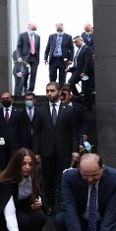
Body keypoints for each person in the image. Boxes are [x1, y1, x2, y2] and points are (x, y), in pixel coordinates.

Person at [32, 82, 80, 216]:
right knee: (47, 179)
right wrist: (36, 152)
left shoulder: (69, 110)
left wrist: (75, 150)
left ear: (59, 92)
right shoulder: (40, 110)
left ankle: (62, 204)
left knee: (62, 178)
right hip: (46, 150)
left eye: (52, 91)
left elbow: (74, 132)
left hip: (63, 149)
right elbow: (36, 133)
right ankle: (49, 205)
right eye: (47, 91)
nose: (49, 94)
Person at [0, 91, 27, 172]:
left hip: (16, 146)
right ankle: (5, 184)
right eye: (3, 99)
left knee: (15, 167)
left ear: (12, 100)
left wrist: (23, 146)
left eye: (7, 98)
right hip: (1, 146)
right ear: (0, 100)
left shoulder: (19, 113)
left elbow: (23, 130)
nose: (5, 100)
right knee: (3, 168)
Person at [66, 35, 94, 106]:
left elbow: (88, 61)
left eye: (76, 42)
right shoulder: (78, 50)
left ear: (81, 40)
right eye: (74, 42)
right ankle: (79, 98)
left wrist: (84, 72)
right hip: (77, 71)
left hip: (85, 72)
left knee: (86, 89)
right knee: (69, 84)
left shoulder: (87, 49)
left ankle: (87, 105)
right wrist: (70, 69)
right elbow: (77, 63)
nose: (75, 44)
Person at [16, 23, 41, 93]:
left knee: (34, 74)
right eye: (32, 29)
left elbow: (38, 48)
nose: (33, 31)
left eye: (35, 29)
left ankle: (30, 90)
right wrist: (19, 56)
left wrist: (38, 59)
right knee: (26, 73)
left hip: (34, 57)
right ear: (28, 28)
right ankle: (24, 86)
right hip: (25, 57)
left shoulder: (37, 37)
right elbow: (19, 47)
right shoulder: (22, 35)